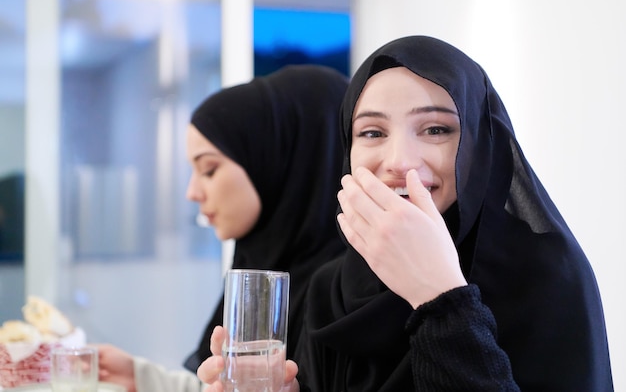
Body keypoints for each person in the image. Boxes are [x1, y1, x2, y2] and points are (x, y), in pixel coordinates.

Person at [197, 36, 614, 391]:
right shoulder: (335, 288)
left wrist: (441, 298)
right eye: (373, 133)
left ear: (479, 143)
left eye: (436, 129)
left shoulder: (546, 276)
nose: (399, 161)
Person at [96, 64, 349, 392]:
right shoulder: (261, 263)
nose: (192, 192)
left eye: (210, 169)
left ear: (276, 162)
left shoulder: (346, 296)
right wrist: (141, 378)